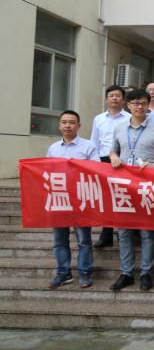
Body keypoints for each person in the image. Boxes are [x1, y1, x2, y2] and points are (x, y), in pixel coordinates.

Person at [108, 88, 154, 292]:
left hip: (147, 186)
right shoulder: (119, 127)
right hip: (124, 186)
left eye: (143, 103)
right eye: (135, 103)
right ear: (128, 105)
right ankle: (126, 273)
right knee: (124, 231)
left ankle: (146, 272)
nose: (139, 106)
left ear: (148, 104)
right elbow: (113, 150)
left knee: (147, 232)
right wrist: (113, 157)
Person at [46, 110, 99, 289]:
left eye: (71, 122)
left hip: (80, 199)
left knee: (83, 239)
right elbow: (46, 172)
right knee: (59, 240)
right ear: (59, 125)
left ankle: (85, 273)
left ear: (79, 125)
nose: (67, 125)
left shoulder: (89, 146)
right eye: (64, 122)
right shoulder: (53, 148)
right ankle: (63, 273)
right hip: (59, 198)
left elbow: (96, 170)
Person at [90, 85, 130, 248]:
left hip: (122, 160)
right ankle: (106, 235)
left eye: (117, 95)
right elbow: (94, 142)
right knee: (106, 199)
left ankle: (123, 233)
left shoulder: (129, 117)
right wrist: (94, 163)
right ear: (106, 99)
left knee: (123, 196)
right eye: (111, 95)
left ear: (123, 99)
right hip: (103, 160)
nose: (114, 98)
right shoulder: (99, 119)